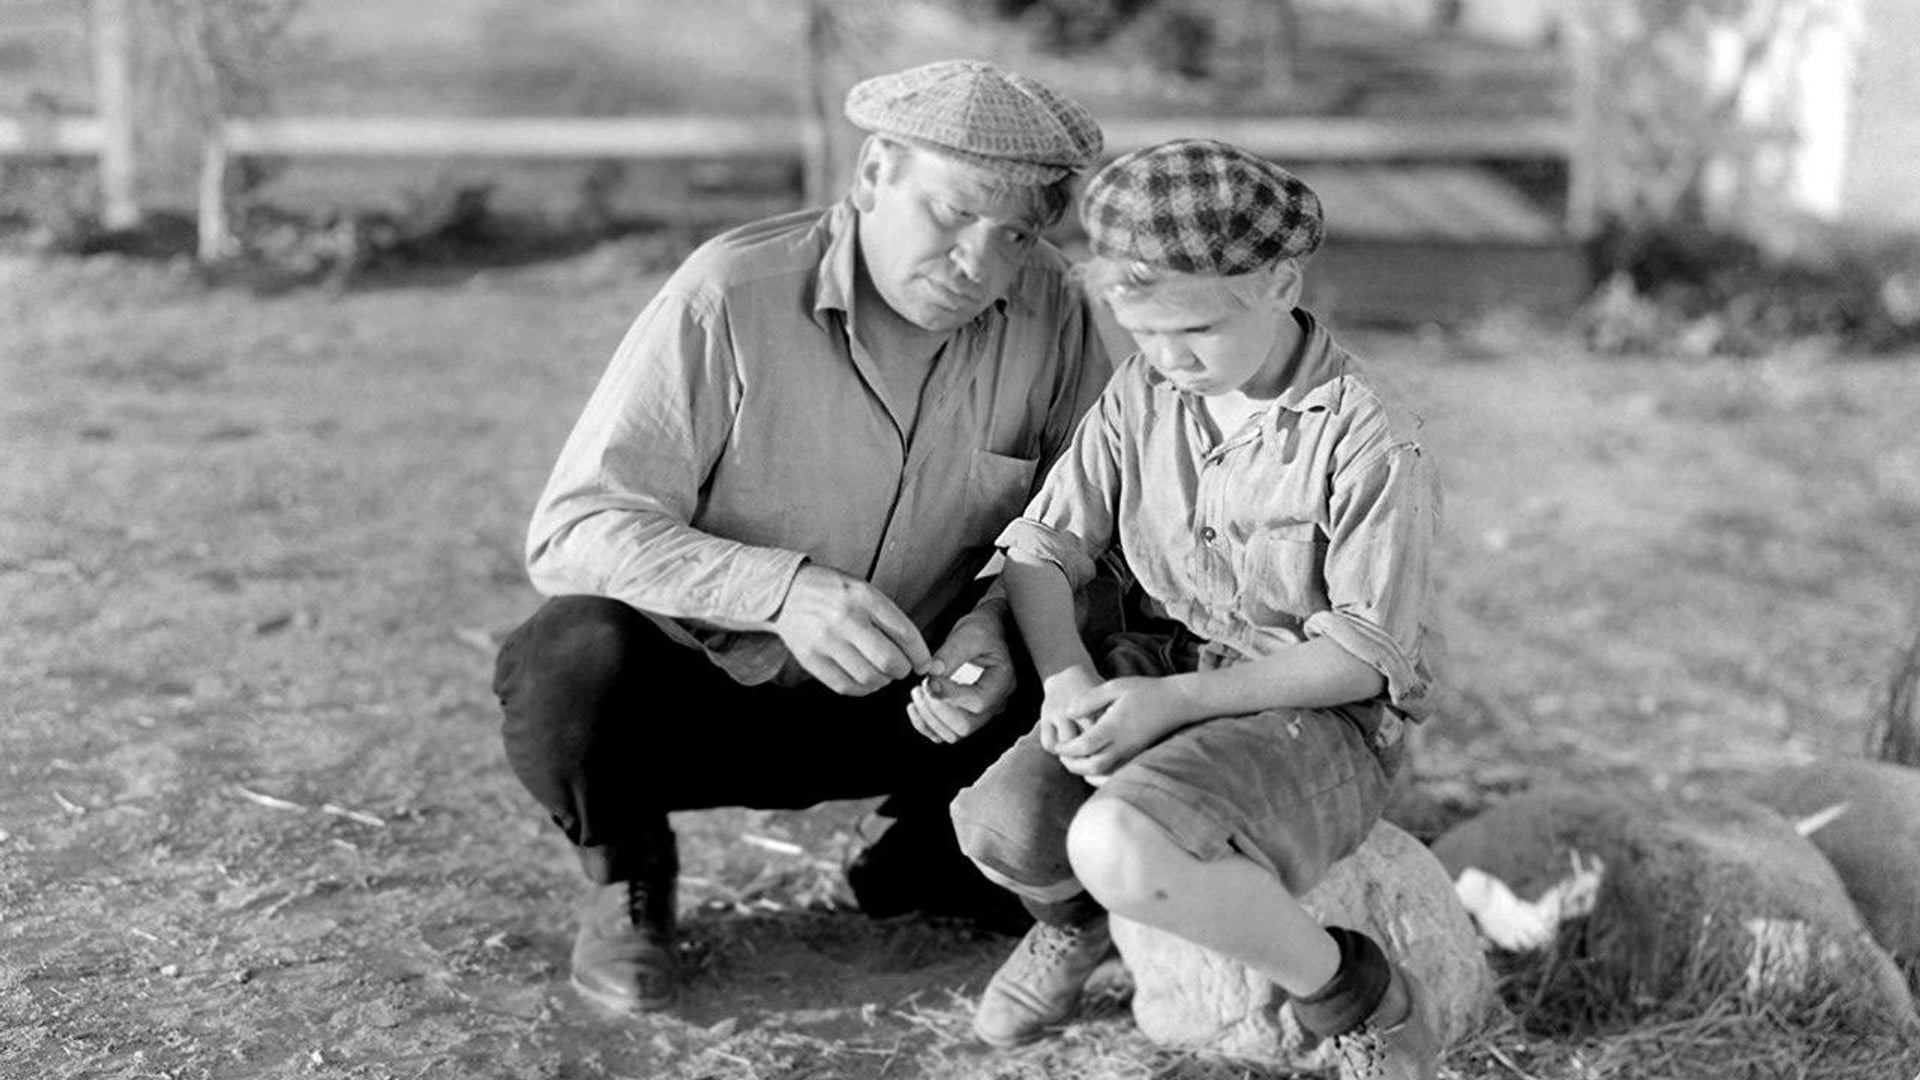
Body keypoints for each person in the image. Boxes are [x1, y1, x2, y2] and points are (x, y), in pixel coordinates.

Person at [490, 59, 1112, 1015]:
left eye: (1015, 235)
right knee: (565, 658)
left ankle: (929, 858)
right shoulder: (728, 293)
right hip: (714, 697)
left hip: (922, 699)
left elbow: (1082, 517)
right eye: (952, 215)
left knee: (1094, 637)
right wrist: (782, 592)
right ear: (873, 177)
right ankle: (629, 873)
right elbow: (575, 528)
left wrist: (993, 617)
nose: (978, 265)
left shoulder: (1053, 309)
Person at [949, 139, 1445, 1080]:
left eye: (1197, 333)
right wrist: (1067, 679)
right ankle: (1076, 925)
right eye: (1144, 336)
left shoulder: (1368, 437)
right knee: (1001, 825)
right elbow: (1043, 549)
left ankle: (1355, 991)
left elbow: (1362, 655)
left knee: (1113, 838)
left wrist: (1170, 708)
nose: (1169, 360)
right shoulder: (1143, 396)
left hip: (1312, 719)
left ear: (1278, 281)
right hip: (1156, 670)